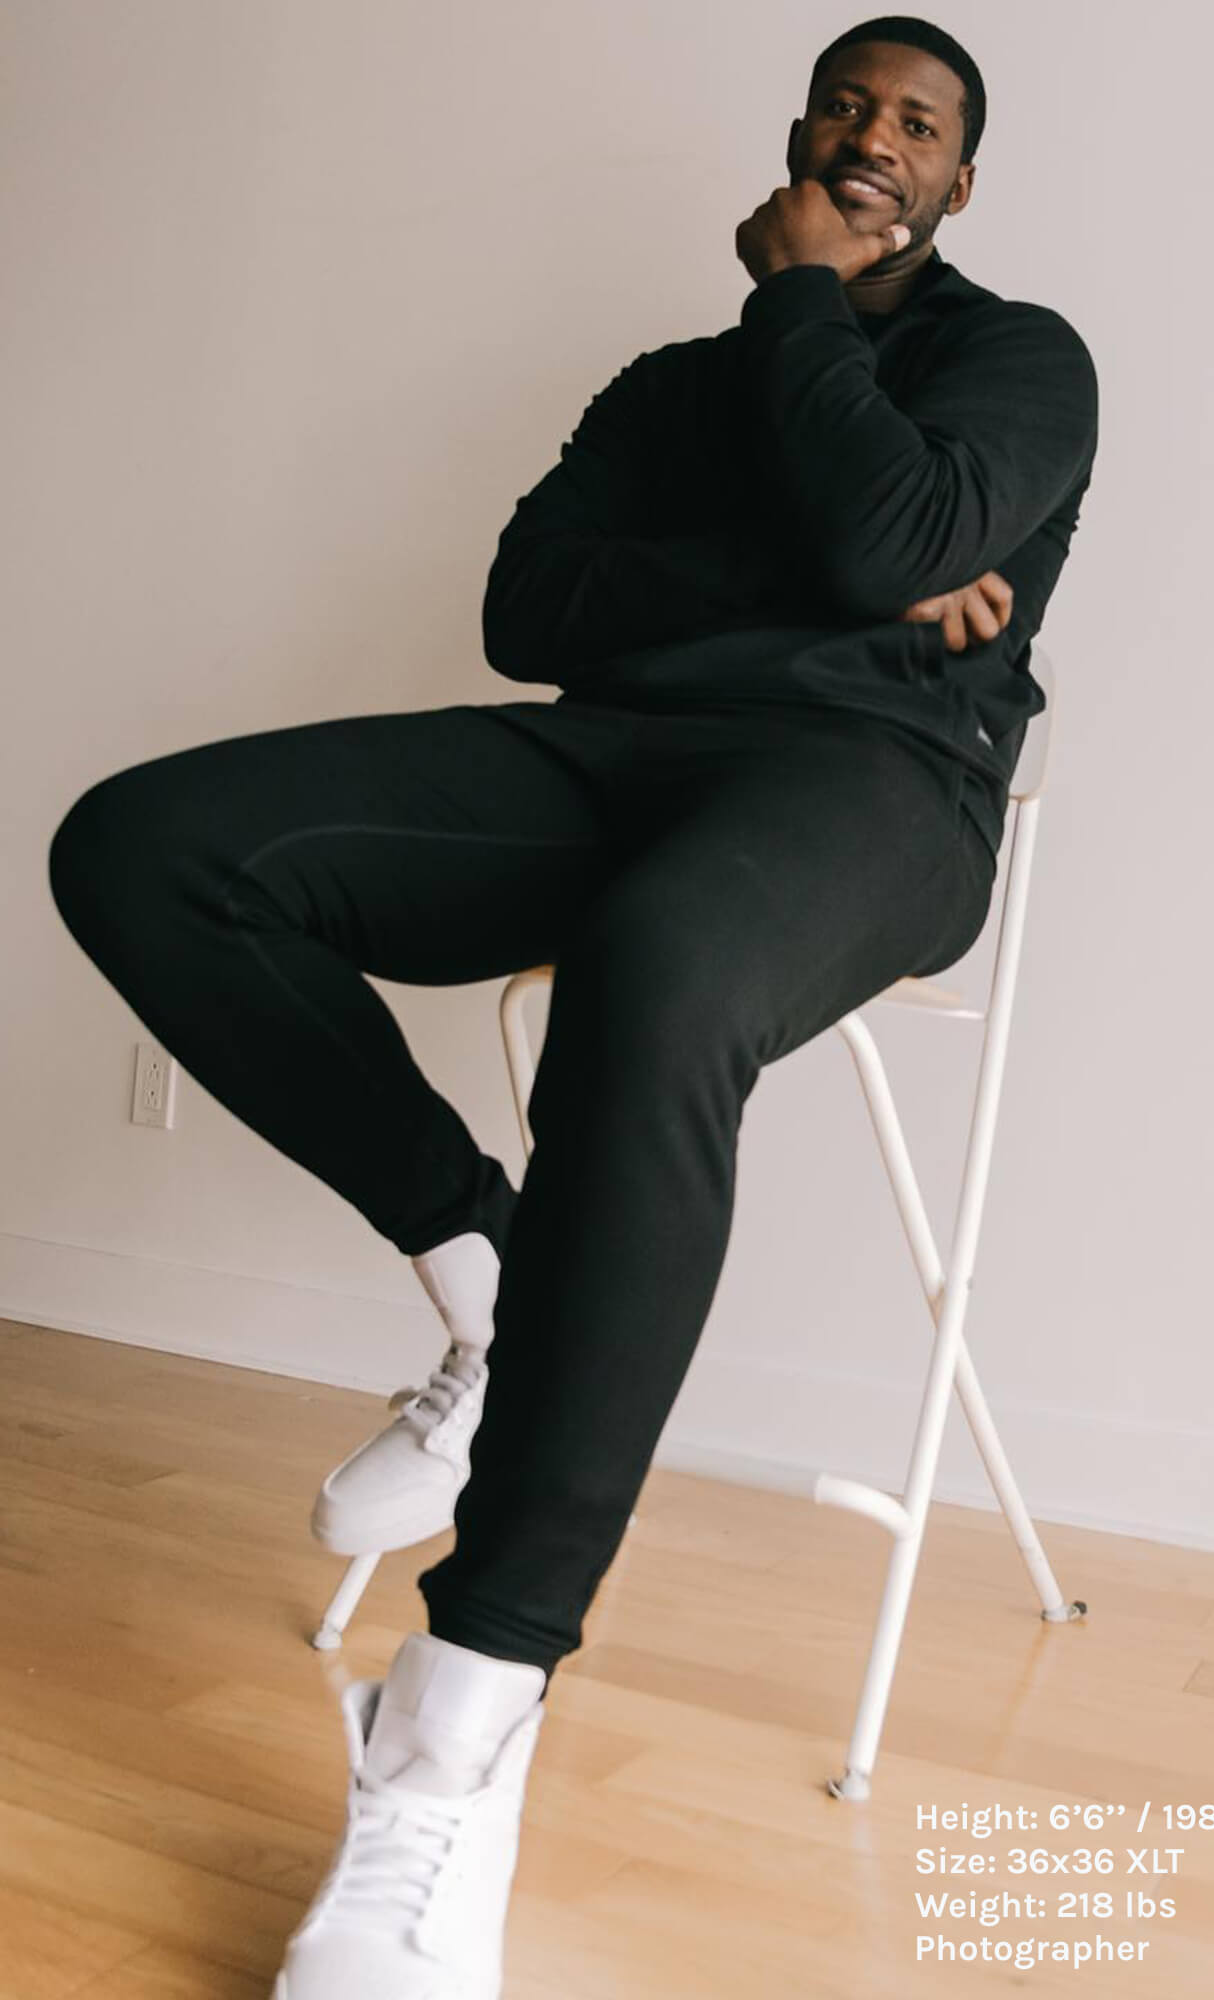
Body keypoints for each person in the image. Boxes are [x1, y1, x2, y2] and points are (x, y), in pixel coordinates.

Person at [46, 15, 1098, 1996]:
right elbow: (532, 613)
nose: (876, 139)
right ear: (793, 134)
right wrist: (838, 568)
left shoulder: (1016, 361)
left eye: (920, 124)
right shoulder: (665, 387)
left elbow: (897, 537)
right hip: (618, 758)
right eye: (847, 110)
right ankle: (486, 1272)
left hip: (876, 798)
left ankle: (458, 1714)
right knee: (144, 843)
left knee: (658, 960)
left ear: (962, 182)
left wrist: (803, 335)